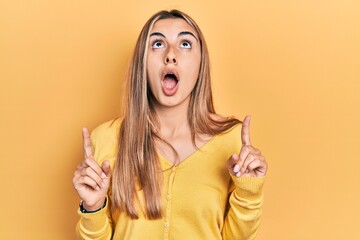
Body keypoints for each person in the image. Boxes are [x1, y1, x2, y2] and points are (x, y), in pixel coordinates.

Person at [72, 9, 268, 240]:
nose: (170, 55)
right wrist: (92, 207)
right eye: (157, 44)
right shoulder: (105, 138)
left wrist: (249, 193)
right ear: (142, 63)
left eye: (185, 44)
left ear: (200, 64)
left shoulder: (231, 140)